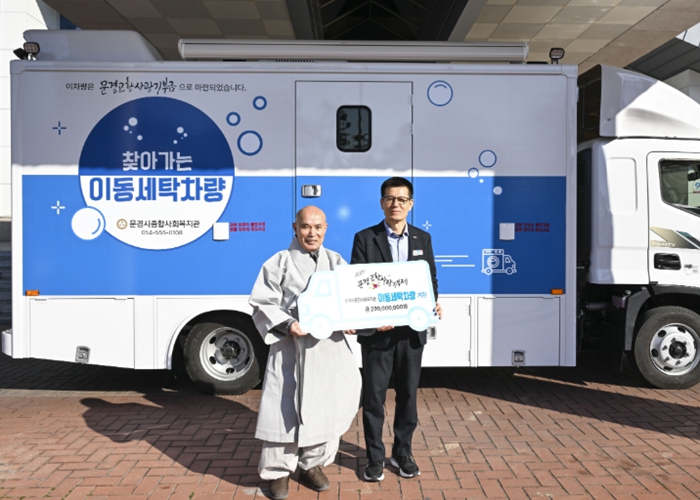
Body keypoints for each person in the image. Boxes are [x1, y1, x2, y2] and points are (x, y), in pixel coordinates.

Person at [249, 206, 362, 500]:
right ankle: (277, 471)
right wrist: (287, 323)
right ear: (295, 228)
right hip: (291, 347)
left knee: (327, 405)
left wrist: (353, 320)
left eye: (317, 227)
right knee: (283, 410)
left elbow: (353, 299)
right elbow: (262, 302)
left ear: (326, 228)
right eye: (305, 227)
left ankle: (312, 464)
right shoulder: (279, 262)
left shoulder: (336, 261)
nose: (312, 233)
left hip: (328, 349)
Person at [351, 177, 441, 482]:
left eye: (402, 199)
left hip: (411, 334)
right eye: (390, 199)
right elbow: (358, 283)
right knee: (373, 398)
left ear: (410, 204)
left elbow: (430, 280)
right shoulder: (365, 238)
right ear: (381, 203)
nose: (396, 204)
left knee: (408, 396)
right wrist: (373, 317)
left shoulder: (422, 238)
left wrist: (433, 303)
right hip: (377, 334)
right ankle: (375, 457)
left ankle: (403, 453)